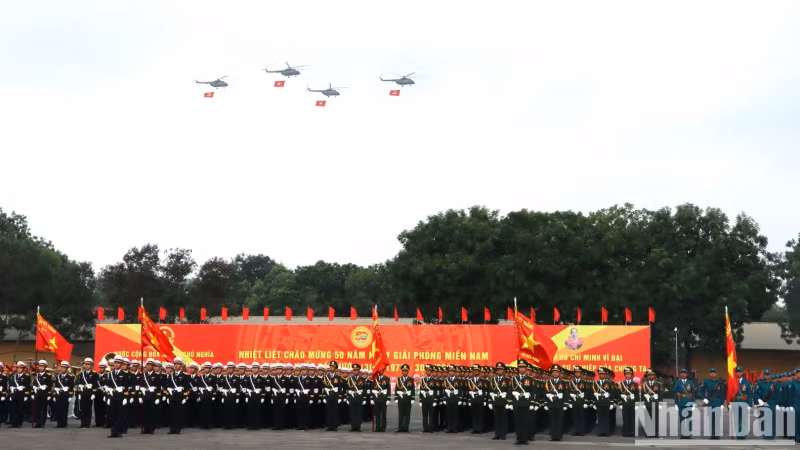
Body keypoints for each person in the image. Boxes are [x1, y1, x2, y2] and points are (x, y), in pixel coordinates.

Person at [700, 368, 725, 439]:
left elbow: (722, 393)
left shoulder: (719, 383)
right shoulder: (706, 382)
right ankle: (712, 434)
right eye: (711, 372)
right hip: (710, 402)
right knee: (711, 419)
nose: (713, 374)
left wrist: (722, 403)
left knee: (717, 419)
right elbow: (701, 390)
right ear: (709, 374)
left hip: (717, 402)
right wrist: (704, 398)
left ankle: (717, 434)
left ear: (716, 374)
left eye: (714, 372)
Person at [755, 368, 777, 440]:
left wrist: (778, 403)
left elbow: (778, 394)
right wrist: (758, 401)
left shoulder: (774, 384)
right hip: (764, 403)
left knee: (772, 419)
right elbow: (756, 393)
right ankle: (766, 435)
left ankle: (772, 435)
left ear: (770, 375)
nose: (767, 376)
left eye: (768, 375)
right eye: (766, 375)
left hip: (772, 403)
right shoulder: (760, 384)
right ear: (764, 375)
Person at [674, 368, 696, 439]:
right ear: (680, 374)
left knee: (689, 418)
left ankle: (688, 434)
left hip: (689, 402)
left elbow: (693, 393)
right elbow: (675, 394)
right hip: (681, 402)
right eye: (682, 373)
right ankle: (683, 434)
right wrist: (676, 403)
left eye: (684, 373)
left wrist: (693, 403)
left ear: (687, 374)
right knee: (682, 419)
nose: (683, 374)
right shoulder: (677, 383)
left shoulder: (690, 382)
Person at [490, 362, 510, 440]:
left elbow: (509, 391)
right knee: (497, 419)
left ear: (504, 371)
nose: (499, 371)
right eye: (498, 370)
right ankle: (497, 434)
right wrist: (490, 402)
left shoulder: (507, 380)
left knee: (503, 418)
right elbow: (490, 391)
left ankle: (503, 434)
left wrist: (508, 402)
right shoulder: (493, 380)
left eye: (501, 370)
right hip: (496, 401)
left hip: (503, 401)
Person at [8, 361, 30, 428]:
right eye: (18, 368)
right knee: (13, 409)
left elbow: (27, 387)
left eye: (20, 368)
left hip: (21, 395)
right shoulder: (14, 376)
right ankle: (14, 423)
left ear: (23, 369)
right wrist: (11, 395)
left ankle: (19, 422)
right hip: (14, 395)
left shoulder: (26, 377)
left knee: (20, 410)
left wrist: (26, 395)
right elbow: (11, 386)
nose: (19, 369)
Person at [52, 361, 74, 428]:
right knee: (58, 409)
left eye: (64, 368)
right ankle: (59, 423)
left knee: (64, 409)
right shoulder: (57, 376)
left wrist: (70, 395)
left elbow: (71, 387)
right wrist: (54, 395)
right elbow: (55, 386)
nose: (62, 369)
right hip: (59, 394)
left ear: (67, 368)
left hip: (65, 395)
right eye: (62, 367)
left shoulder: (70, 376)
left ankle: (64, 423)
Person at [619, 367, 639, 437]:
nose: (628, 375)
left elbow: (637, 395)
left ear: (632, 375)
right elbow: (619, 394)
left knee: (632, 418)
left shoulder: (635, 384)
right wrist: (620, 403)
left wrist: (636, 404)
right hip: (624, 403)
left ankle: (632, 432)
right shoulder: (621, 384)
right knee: (625, 418)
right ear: (624, 375)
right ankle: (625, 432)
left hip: (632, 403)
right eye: (626, 374)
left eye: (629, 374)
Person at [32, 359, 52, 428]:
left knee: (43, 409)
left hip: (44, 394)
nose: (40, 368)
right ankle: (37, 422)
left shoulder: (48, 375)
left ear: (45, 367)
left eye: (42, 366)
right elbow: (34, 383)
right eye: (39, 366)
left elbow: (50, 385)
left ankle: (42, 422)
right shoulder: (37, 375)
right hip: (37, 393)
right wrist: (34, 387)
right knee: (37, 409)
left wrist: (48, 393)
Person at [395, 364, 414, 432]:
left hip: (408, 399)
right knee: (401, 414)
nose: (405, 372)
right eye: (403, 371)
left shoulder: (411, 379)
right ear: (401, 372)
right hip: (401, 399)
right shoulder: (398, 379)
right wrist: (396, 398)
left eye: (406, 371)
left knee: (407, 414)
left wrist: (412, 398)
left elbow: (412, 389)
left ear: (408, 371)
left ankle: (406, 428)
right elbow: (396, 389)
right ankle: (400, 428)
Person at [347, 363, 366, 431]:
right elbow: (348, 388)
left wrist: (364, 398)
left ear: (359, 371)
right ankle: (353, 426)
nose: (355, 371)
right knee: (352, 413)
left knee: (358, 413)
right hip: (352, 398)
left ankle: (358, 427)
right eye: (354, 370)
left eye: (356, 370)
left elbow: (364, 389)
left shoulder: (362, 379)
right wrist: (348, 396)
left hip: (359, 398)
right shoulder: (350, 379)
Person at [372, 367, 390, 431]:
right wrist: (372, 398)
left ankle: (383, 427)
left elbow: (388, 389)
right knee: (377, 414)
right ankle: (377, 427)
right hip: (376, 399)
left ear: (383, 371)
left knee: (383, 414)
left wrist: (388, 399)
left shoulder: (386, 379)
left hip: (383, 399)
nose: (380, 371)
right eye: (379, 370)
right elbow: (373, 388)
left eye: (381, 370)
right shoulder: (375, 378)